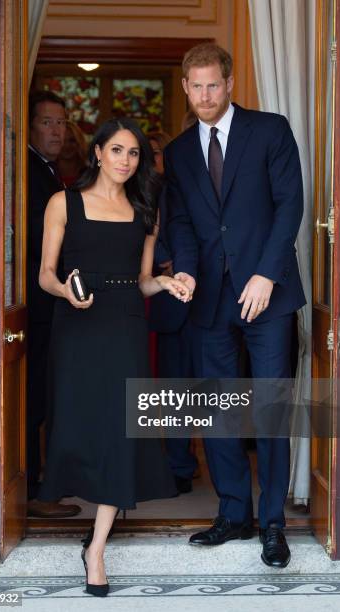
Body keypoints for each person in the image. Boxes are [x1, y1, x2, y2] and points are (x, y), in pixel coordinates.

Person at [164, 43, 306, 568]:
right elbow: (179, 220)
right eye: (195, 86)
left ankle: (272, 523)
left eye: (213, 85)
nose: (204, 95)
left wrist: (267, 272)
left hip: (267, 296)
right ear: (185, 87)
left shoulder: (270, 130)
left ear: (230, 83)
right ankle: (233, 513)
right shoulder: (178, 152)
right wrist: (183, 268)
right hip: (209, 298)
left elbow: (290, 202)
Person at [36, 117, 190, 597]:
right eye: (118, 150)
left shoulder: (145, 210)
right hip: (77, 327)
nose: (126, 161)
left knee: (121, 432)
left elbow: (142, 280)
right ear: (98, 153)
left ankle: (96, 548)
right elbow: (44, 273)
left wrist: (165, 282)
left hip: (125, 325)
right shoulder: (63, 202)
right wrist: (65, 290)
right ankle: (88, 526)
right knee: (80, 427)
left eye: (135, 154)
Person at [27, 90, 81, 519]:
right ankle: (32, 493)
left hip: (50, 305)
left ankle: (40, 486)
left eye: (61, 122)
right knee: (34, 399)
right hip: (36, 305)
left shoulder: (47, 171)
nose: (56, 130)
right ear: (29, 126)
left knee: (45, 397)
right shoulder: (28, 172)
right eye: (47, 122)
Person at [148, 131, 199, 494]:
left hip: (211, 298)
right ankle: (178, 465)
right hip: (167, 299)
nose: (151, 161)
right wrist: (163, 264)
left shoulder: (188, 187)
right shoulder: (146, 193)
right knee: (174, 390)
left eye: (155, 154)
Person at [57, 120, 88, 187]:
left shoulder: (90, 174)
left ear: (79, 142)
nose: (67, 145)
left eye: (72, 140)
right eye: (62, 140)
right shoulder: (45, 173)